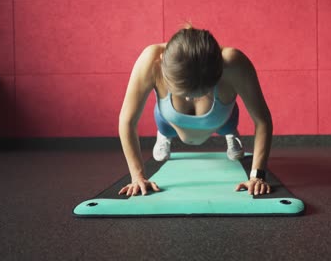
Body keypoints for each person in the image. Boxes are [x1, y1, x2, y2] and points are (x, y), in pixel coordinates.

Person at [117, 25, 273, 197]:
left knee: (226, 122)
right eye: (183, 94)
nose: (190, 99)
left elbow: (262, 120)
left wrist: (257, 176)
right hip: (169, 120)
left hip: (222, 119)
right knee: (165, 123)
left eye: (199, 94)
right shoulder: (151, 60)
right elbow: (127, 121)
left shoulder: (234, 64)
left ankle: (230, 133)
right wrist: (137, 177)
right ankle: (164, 134)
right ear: (162, 62)